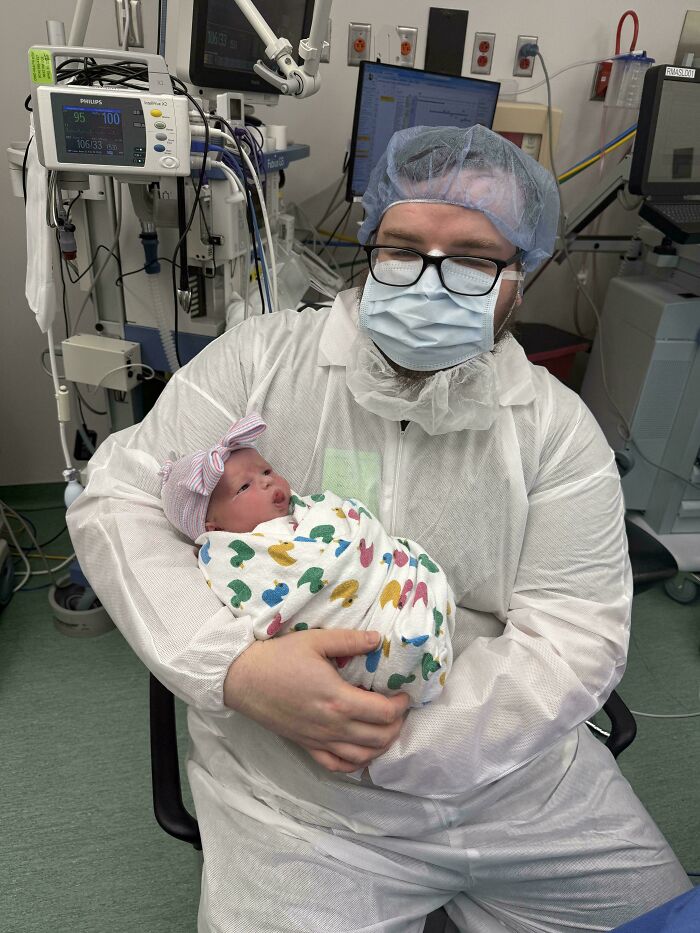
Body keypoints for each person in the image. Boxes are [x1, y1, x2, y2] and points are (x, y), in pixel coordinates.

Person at [67, 124, 691, 932]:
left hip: (519, 786)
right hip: (297, 798)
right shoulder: (260, 362)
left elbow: (575, 635)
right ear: (370, 245)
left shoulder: (556, 431)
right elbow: (118, 495)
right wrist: (235, 673)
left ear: (521, 279)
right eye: (402, 248)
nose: (427, 282)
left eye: (469, 259)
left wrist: (395, 742)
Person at [158, 411, 455, 707]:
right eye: (244, 487)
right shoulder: (227, 558)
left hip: (394, 584)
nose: (265, 482)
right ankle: (404, 650)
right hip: (359, 634)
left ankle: (413, 619)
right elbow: (268, 604)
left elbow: (352, 529)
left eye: (266, 471)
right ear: (215, 529)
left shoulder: (309, 511)